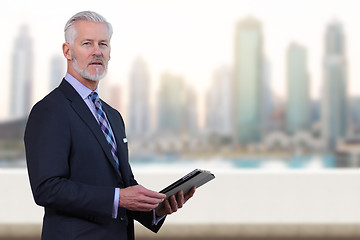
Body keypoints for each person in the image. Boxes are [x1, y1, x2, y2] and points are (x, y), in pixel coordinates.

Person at [24, 11, 195, 240]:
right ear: (67, 51)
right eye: (87, 43)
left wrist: (155, 209)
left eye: (103, 44)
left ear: (110, 52)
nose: (97, 51)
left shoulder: (112, 116)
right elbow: (47, 188)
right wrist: (118, 198)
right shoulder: (50, 110)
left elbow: (123, 186)